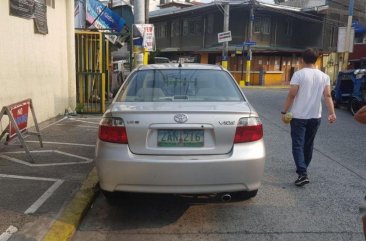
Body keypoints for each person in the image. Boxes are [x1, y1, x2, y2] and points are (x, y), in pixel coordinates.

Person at [281, 48, 336, 187]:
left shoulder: (299, 74)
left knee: (298, 145)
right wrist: (332, 113)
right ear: (316, 59)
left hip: (299, 117)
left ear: (302, 60)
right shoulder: (324, 76)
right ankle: (303, 167)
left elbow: (292, 95)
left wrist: (284, 112)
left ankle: (302, 173)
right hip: (315, 116)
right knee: (308, 144)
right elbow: (328, 96)